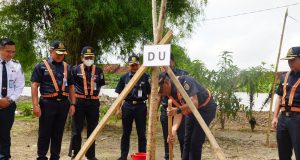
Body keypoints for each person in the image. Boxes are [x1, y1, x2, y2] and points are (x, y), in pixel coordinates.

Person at [31, 41, 76, 160]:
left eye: (62, 53)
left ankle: (55, 157)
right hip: (47, 103)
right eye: (58, 53)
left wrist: (73, 104)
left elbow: (71, 86)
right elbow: (34, 85)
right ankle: (41, 156)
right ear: (51, 51)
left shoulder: (67, 67)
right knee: (44, 133)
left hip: (63, 104)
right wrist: (35, 105)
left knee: (58, 132)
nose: (60, 56)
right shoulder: (41, 66)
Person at [158, 73, 217, 160]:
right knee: (187, 141)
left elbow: (194, 103)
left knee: (195, 141)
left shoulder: (185, 81)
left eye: (161, 91)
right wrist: (173, 131)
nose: (161, 94)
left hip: (206, 108)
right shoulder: (168, 94)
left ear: (166, 82)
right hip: (191, 111)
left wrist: (178, 110)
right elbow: (178, 113)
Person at [69, 46, 105, 160]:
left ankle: (91, 155)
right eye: (86, 57)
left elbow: (100, 85)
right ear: (81, 57)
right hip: (79, 101)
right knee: (76, 129)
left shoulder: (98, 70)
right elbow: (71, 87)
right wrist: (72, 103)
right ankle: (76, 154)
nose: (89, 59)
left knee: (92, 130)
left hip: (93, 103)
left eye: (91, 57)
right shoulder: (75, 69)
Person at [115, 54, 151, 160]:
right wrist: (118, 109)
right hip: (127, 106)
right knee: (126, 133)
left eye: (136, 65)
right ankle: (123, 156)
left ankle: (143, 156)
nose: (134, 67)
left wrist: (151, 109)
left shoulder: (146, 77)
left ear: (139, 65)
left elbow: (150, 94)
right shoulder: (123, 78)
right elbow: (119, 95)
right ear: (128, 66)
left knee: (141, 133)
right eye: (132, 65)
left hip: (141, 107)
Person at [272, 46, 300, 160]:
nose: (290, 63)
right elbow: (279, 96)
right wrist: (275, 117)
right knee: (283, 154)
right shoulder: (285, 76)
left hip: (298, 119)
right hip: (283, 119)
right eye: (288, 60)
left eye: (293, 60)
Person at [0, 38, 25, 160]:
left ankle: (4, 156)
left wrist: (9, 100)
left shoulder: (16, 65)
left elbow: (19, 86)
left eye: (13, 52)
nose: (10, 54)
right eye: (7, 51)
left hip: (8, 106)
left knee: (5, 133)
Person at [160, 54, 188, 160]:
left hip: (180, 110)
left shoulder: (183, 74)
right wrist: (153, 111)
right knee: (167, 136)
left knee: (182, 136)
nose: (167, 64)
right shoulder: (161, 76)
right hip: (165, 110)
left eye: (169, 61)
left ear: (173, 61)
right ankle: (168, 157)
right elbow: (158, 96)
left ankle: (184, 157)